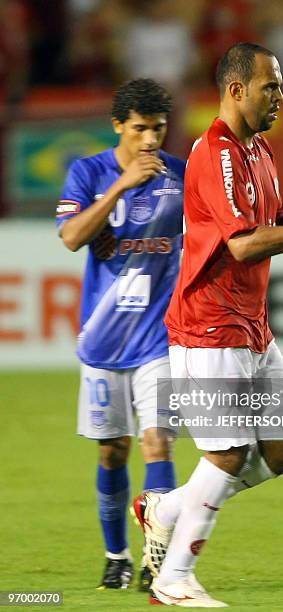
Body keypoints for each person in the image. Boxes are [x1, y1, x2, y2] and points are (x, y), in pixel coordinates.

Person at [133, 42, 283, 607]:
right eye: (271, 86)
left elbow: (266, 224)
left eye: (281, 86)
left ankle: (163, 509)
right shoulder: (217, 153)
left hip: (252, 328)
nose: (280, 96)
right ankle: (174, 581)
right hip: (209, 327)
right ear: (236, 89)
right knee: (230, 453)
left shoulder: (258, 150)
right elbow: (241, 245)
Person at [56, 78, 185, 591]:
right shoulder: (88, 172)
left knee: (158, 443)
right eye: (139, 129)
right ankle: (117, 554)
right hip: (104, 343)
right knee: (112, 451)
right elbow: (70, 238)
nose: (150, 140)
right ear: (118, 126)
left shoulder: (181, 174)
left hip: (160, 337)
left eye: (158, 129)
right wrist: (122, 186)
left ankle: (160, 561)